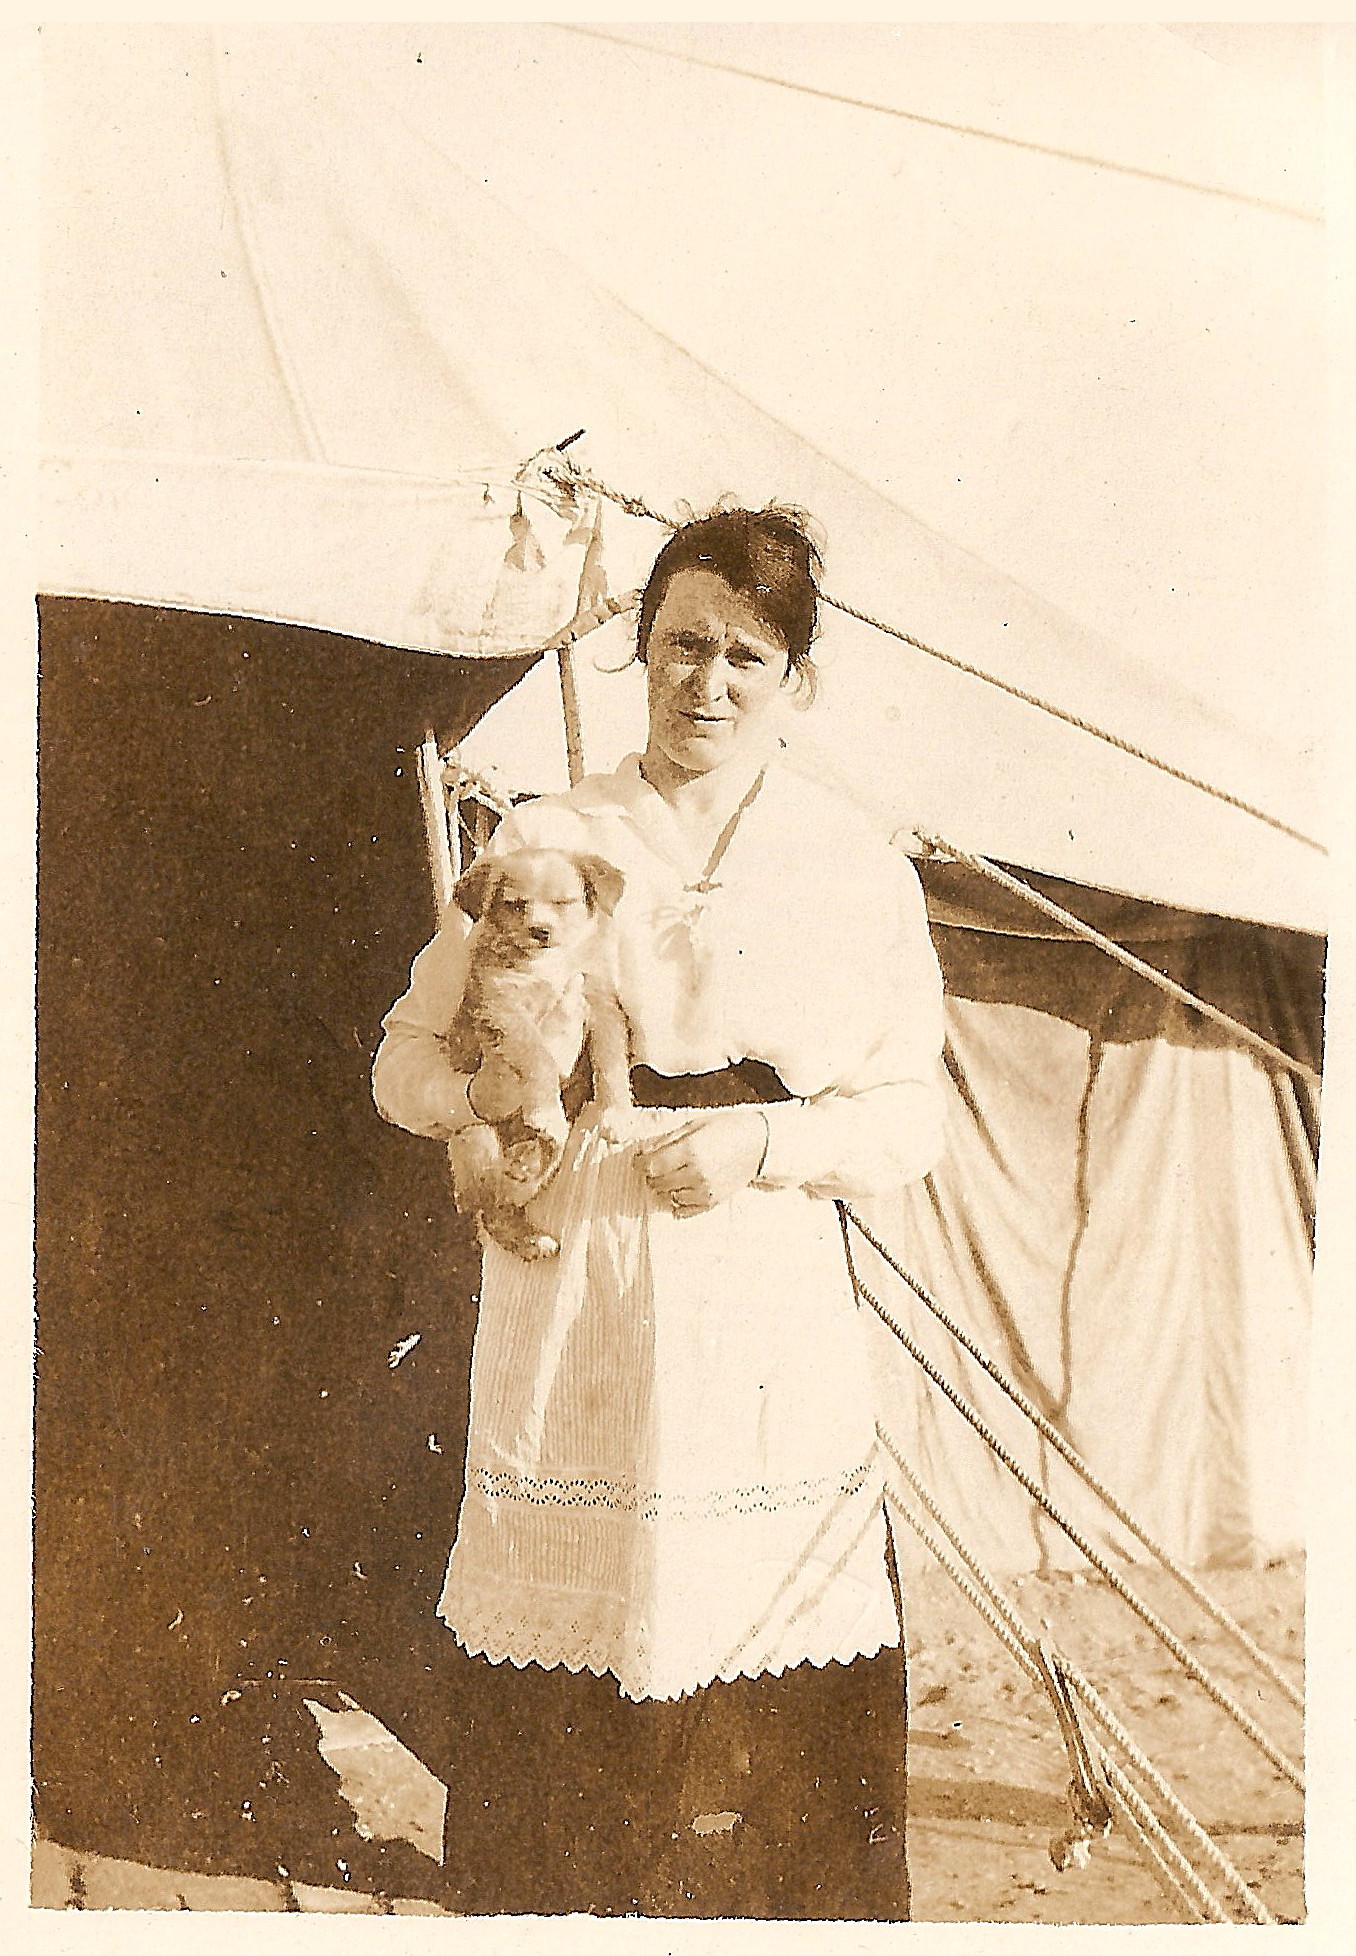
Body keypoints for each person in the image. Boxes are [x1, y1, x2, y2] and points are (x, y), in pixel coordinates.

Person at [371, 506, 945, 1919]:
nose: (711, 681)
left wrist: (757, 1144)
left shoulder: (850, 860)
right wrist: (489, 1117)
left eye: (749, 655)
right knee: (570, 1734)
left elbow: (908, 1115)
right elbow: (401, 1058)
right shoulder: (551, 837)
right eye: (684, 643)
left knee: (775, 1731)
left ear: (795, 678)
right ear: (640, 648)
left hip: (758, 1321)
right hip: (577, 1324)